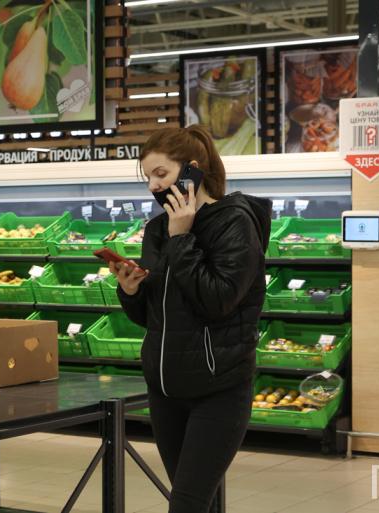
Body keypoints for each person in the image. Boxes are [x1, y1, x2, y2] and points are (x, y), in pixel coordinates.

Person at [110, 125, 271, 513]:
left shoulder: (233, 222)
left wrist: (182, 238)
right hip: (165, 389)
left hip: (218, 389)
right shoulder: (157, 229)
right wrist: (130, 291)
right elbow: (152, 317)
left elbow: (218, 300)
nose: (153, 186)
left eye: (160, 174)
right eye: (148, 177)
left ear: (192, 170)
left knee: (186, 504)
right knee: (198, 501)